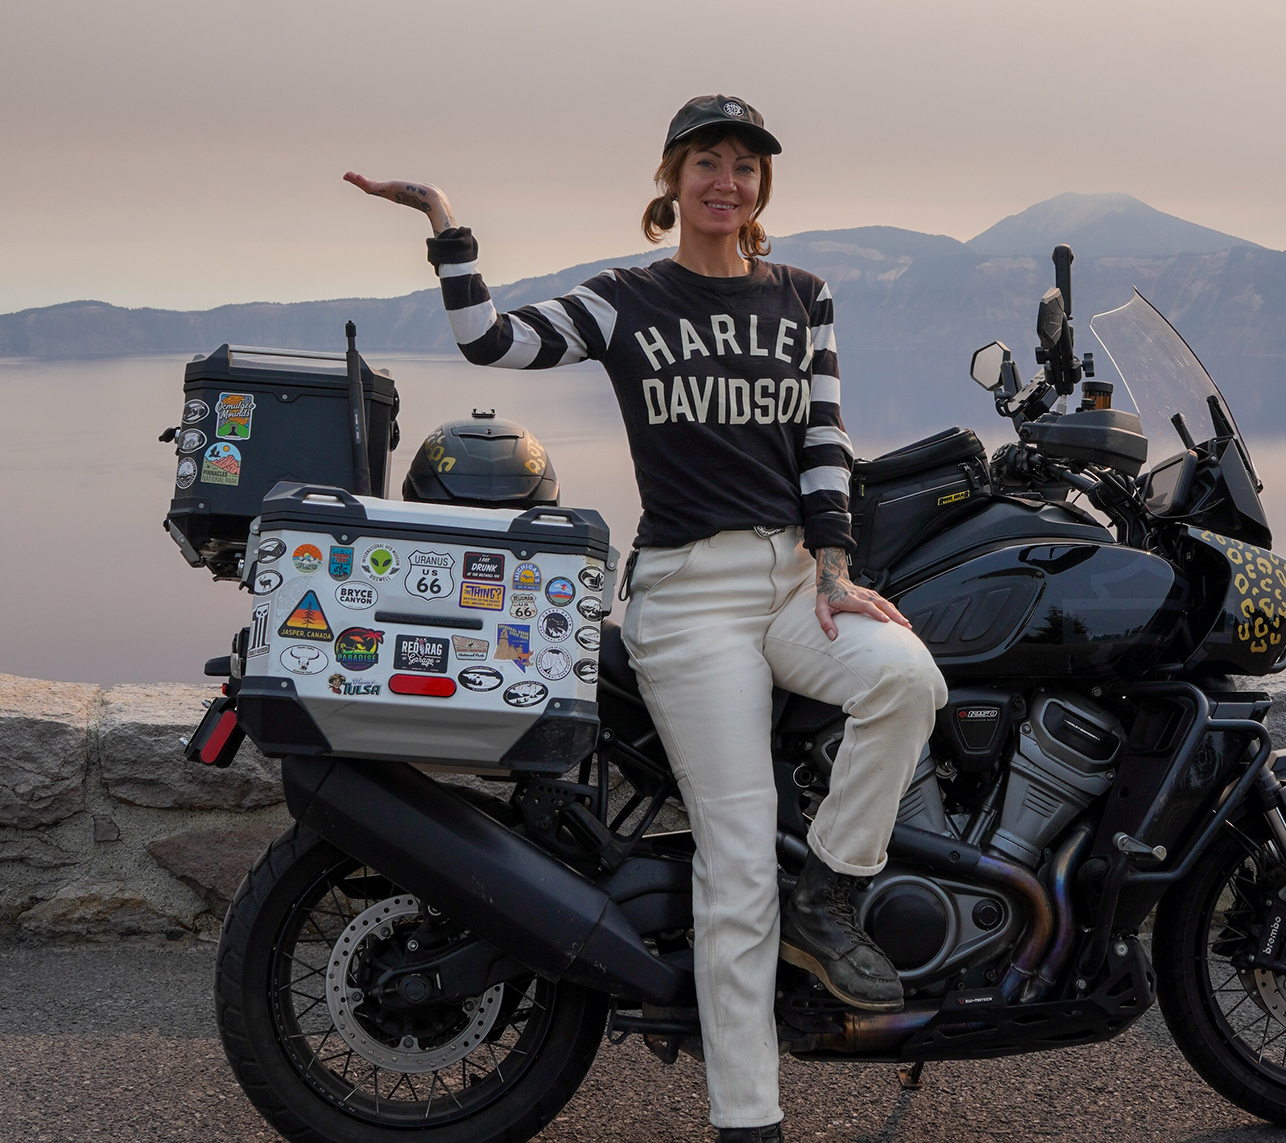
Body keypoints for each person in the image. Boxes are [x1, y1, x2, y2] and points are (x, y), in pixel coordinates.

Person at [346, 94, 947, 1143]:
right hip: (688, 598)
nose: (727, 181)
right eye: (706, 162)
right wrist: (444, 222)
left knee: (907, 680)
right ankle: (747, 1120)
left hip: (791, 581)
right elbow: (492, 344)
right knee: (738, 854)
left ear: (762, 188)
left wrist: (837, 567)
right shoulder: (628, 297)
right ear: (670, 181)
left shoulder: (804, 296)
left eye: (745, 167)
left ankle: (833, 896)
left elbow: (822, 442)